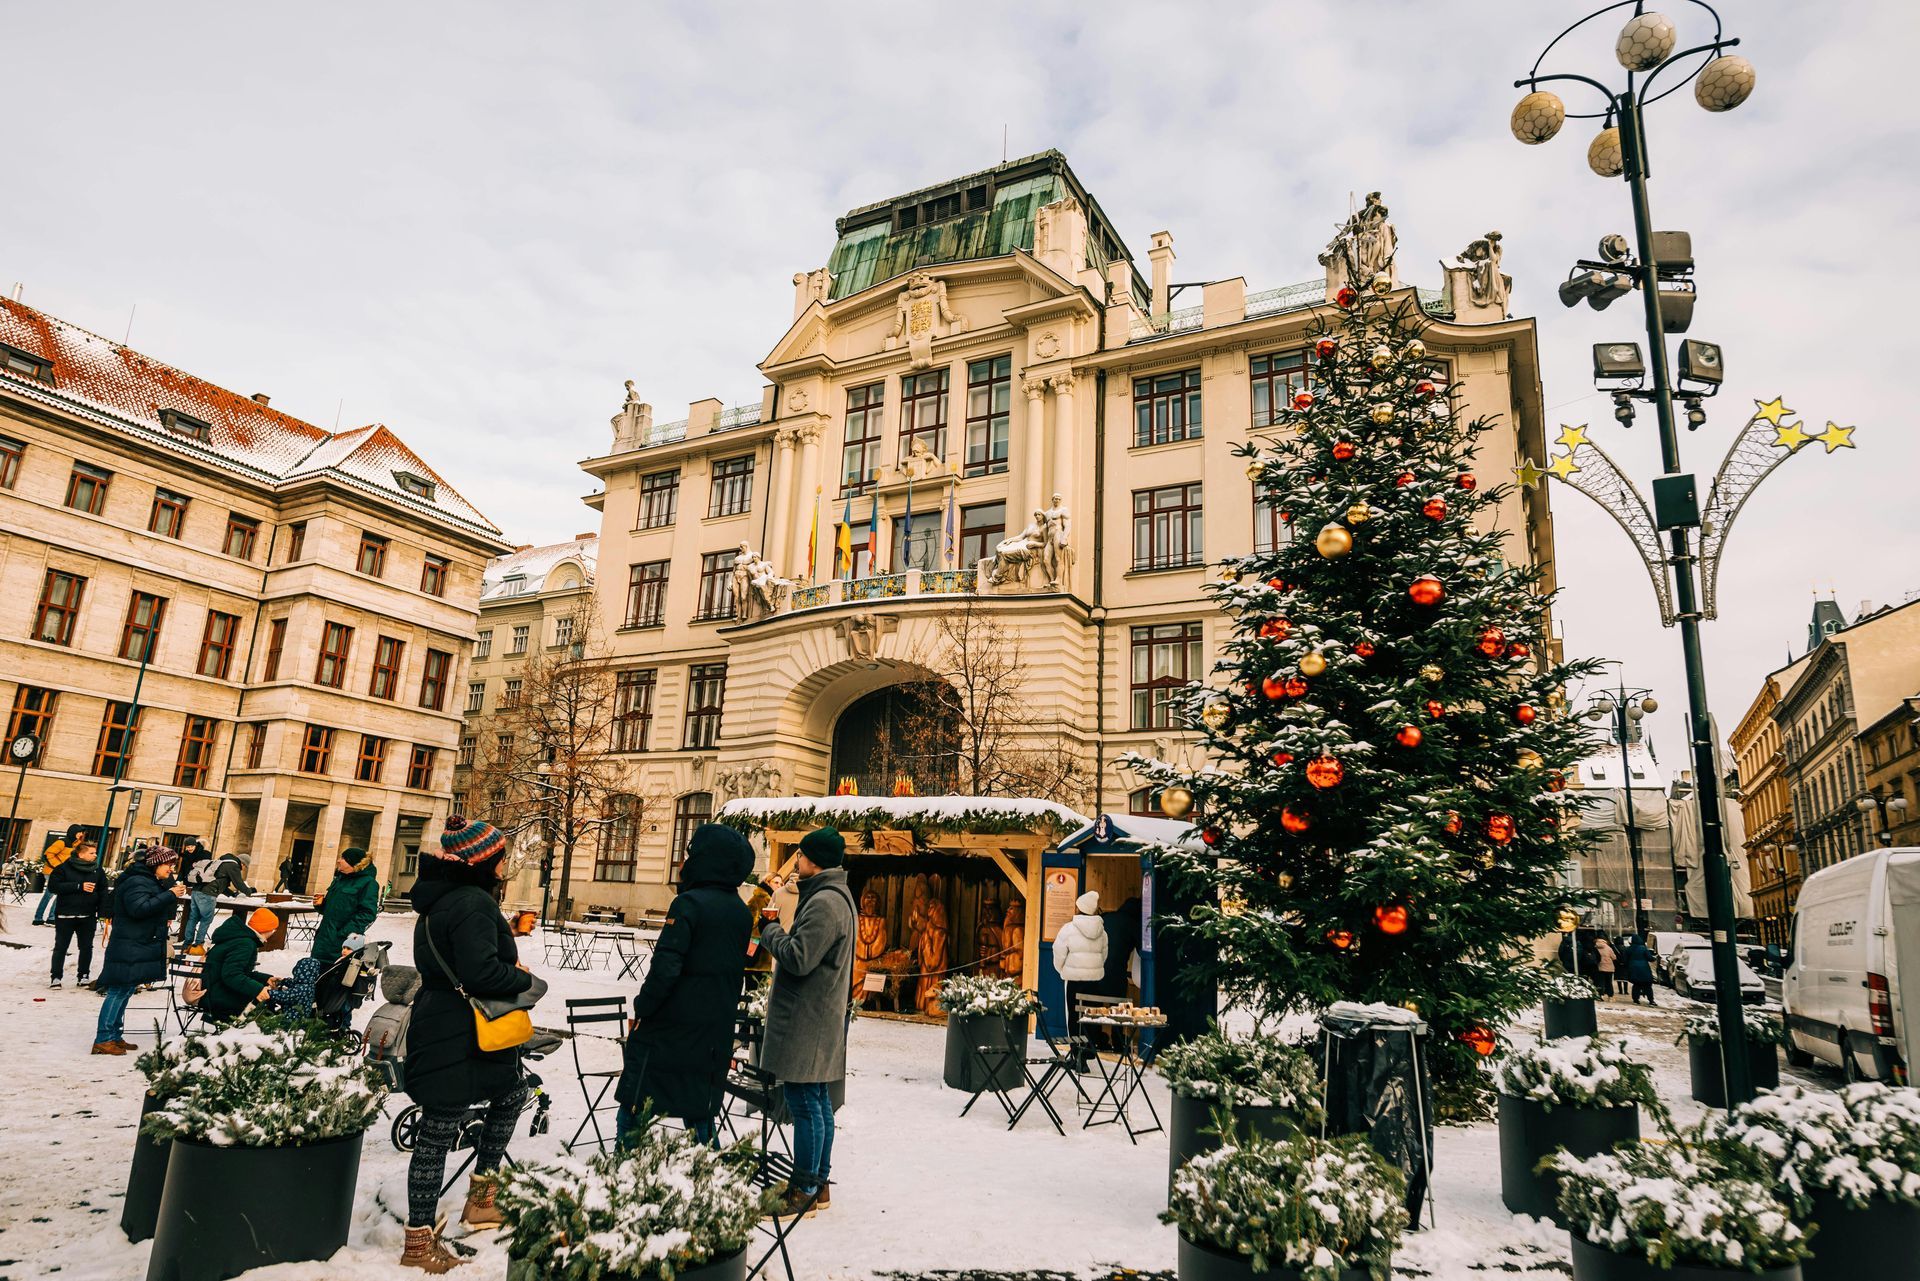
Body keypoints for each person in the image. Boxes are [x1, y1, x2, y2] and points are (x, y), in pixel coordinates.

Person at [400, 816, 537, 1273]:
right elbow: (482, 973)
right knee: (440, 1126)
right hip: (460, 1028)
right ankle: (419, 1241)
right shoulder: (474, 903)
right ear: (485, 861)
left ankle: (482, 1197)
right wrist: (524, 979)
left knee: (511, 1093)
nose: (505, 864)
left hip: (445, 1020)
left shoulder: (440, 900)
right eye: (500, 856)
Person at [615, 823, 753, 1146]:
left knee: (633, 1109)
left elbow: (665, 968)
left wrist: (643, 1008)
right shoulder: (741, 913)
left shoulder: (689, 904)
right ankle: (713, 1180)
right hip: (712, 1035)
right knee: (700, 1113)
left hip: (668, 1031)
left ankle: (622, 1173)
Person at [756, 826, 856, 1218]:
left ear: (812, 859)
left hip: (808, 1018)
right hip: (819, 1015)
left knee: (804, 1101)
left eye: (799, 855)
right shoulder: (836, 896)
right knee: (817, 1102)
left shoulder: (824, 903)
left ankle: (805, 1188)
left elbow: (798, 957)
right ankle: (819, 1183)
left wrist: (771, 931)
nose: (796, 862)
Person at [93, 846, 185, 1055]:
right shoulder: (137, 881)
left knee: (125, 990)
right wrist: (169, 895)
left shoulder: (148, 881)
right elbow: (139, 909)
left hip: (136, 942)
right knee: (117, 991)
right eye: (168, 864)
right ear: (156, 863)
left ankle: (114, 1035)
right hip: (129, 943)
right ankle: (104, 1038)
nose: (171, 869)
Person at [1053, 890, 1110, 1061]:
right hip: (1094, 981)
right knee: (1091, 1017)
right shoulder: (1102, 932)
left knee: (1074, 1017)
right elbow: (1104, 955)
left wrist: (1062, 970)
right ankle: (1088, 1052)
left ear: (1079, 908)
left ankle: (1077, 1055)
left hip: (1074, 981)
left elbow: (1058, 953)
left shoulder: (1069, 929)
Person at [197, 908, 282, 1023]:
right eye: (273, 929)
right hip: (216, 995)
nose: (273, 932)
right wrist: (258, 989)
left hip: (213, 989)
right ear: (266, 929)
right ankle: (258, 1035)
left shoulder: (238, 937)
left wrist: (266, 979)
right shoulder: (245, 943)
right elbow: (232, 975)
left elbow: (239, 972)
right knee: (269, 1001)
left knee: (266, 995)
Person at [49, 840, 109, 988]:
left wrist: (103, 912)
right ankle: (56, 977)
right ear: (81, 854)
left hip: (87, 915)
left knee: (86, 947)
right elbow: (53, 886)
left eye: (95, 852)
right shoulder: (63, 868)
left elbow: (103, 891)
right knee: (61, 947)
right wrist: (78, 886)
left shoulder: (97, 870)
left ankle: (83, 975)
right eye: (92, 853)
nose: (95, 855)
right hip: (65, 914)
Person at [312, 846, 381, 960]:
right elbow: (331, 910)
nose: (339, 860)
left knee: (335, 975)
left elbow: (367, 914)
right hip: (322, 939)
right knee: (317, 973)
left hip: (343, 944)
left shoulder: (368, 883)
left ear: (353, 863)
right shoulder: (339, 879)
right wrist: (321, 904)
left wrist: (343, 934)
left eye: (343, 858)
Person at [31, 824, 85, 926]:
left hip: (63, 873)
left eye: (82, 832)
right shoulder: (62, 842)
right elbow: (48, 854)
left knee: (60, 894)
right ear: (73, 832)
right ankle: (38, 918)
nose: (81, 834)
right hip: (52, 871)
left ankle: (51, 918)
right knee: (49, 895)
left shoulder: (76, 845)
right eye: (79, 832)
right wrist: (58, 866)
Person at [1620, 933, 1658, 1006]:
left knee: (1636, 985)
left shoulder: (1628, 949)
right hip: (1644, 969)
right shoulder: (1643, 948)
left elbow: (1624, 960)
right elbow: (1650, 958)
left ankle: (1636, 1000)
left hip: (1633, 969)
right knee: (1647, 985)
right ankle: (1651, 1000)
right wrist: (1653, 958)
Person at [1593, 934, 1618, 1001]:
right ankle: (1610, 996)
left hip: (1600, 967)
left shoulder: (1595, 947)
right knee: (1609, 982)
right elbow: (1614, 957)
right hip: (1609, 968)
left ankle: (1601, 995)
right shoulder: (1608, 948)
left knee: (1601, 982)